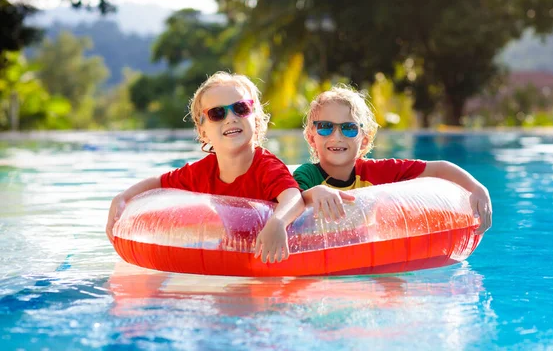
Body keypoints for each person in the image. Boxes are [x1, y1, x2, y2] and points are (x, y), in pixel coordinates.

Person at [105, 72, 304, 263]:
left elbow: (294, 198)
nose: (231, 118)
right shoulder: (202, 172)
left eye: (241, 108)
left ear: (257, 120)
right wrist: (122, 197)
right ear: (203, 131)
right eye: (217, 113)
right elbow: (159, 182)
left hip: (279, 254)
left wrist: (278, 222)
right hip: (236, 252)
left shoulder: (266, 167)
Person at [293, 85, 492, 234]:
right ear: (312, 138)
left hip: (365, 250)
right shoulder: (307, 175)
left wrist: (477, 189)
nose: (337, 136)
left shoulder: (377, 172)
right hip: (319, 250)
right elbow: (291, 204)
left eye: (349, 128)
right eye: (326, 127)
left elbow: (440, 168)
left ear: (364, 140)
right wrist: (314, 193)